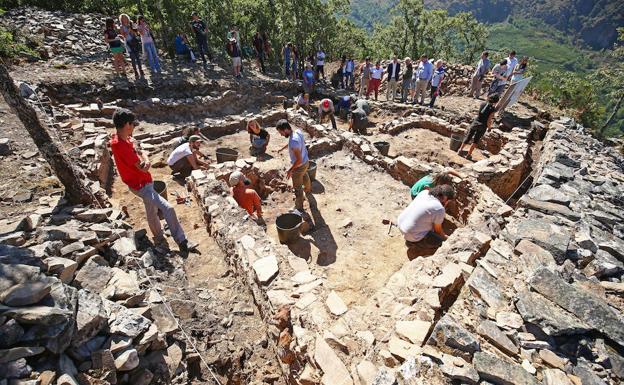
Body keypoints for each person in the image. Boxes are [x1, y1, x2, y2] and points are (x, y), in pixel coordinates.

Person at [110, 108, 196, 252]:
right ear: (127, 124)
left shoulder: (120, 139)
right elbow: (143, 167)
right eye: (132, 124)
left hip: (142, 182)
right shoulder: (121, 145)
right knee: (168, 208)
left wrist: (139, 150)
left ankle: (159, 239)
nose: (133, 128)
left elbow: (136, 145)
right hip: (140, 185)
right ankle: (182, 241)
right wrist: (146, 157)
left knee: (152, 211)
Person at [398, 185, 455, 253]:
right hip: (411, 233)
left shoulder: (424, 192)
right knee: (439, 241)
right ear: (446, 198)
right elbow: (438, 231)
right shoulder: (438, 208)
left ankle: (411, 239)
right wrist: (447, 239)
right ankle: (415, 244)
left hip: (401, 224)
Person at [276, 120, 311, 212]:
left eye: (281, 132)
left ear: (286, 129)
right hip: (306, 161)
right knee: (304, 174)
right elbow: (294, 144)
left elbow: (298, 160)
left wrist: (290, 170)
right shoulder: (297, 132)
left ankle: (299, 208)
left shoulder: (293, 141)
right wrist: (282, 148)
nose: (281, 135)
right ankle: (308, 189)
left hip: (299, 166)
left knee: (298, 188)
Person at [457, 94, 499, 159]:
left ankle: (460, 150)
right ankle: (468, 155)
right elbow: (489, 120)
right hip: (482, 126)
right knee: (476, 140)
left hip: (475, 123)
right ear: (495, 102)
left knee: (468, 137)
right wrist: (489, 127)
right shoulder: (492, 109)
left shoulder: (482, 104)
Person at [119, 14, 143, 80]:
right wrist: (128, 30)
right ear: (121, 20)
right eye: (123, 18)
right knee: (132, 58)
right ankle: (135, 71)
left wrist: (131, 29)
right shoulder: (121, 26)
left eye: (126, 18)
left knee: (138, 57)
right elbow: (123, 36)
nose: (125, 19)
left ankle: (140, 70)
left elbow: (136, 33)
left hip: (134, 41)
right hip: (128, 43)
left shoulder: (131, 24)